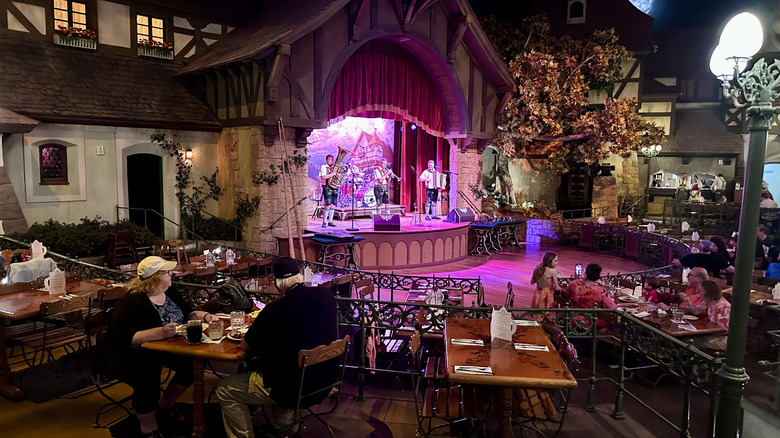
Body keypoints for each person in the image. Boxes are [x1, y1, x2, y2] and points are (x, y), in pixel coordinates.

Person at [216, 257, 338, 438]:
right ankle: (284, 426)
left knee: (225, 388)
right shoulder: (326, 295)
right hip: (325, 381)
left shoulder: (276, 309)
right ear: (299, 275)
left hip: (293, 389)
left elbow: (247, 346)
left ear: (276, 282)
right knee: (283, 365)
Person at [98, 256, 219, 438]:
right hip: (127, 352)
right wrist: (161, 332)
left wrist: (207, 317)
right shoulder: (133, 301)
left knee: (190, 365)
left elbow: (189, 313)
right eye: (167, 272)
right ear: (156, 277)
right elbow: (126, 338)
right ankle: (149, 426)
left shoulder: (170, 292)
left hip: (164, 347)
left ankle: (165, 404)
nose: (172, 275)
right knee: (147, 374)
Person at [693, 280, 730, 351]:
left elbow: (723, 330)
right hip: (712, 335)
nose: (698, 293)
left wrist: (703, 332)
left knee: (690, 340)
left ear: (707, 293)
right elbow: (695, 311)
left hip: (724, 340)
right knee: (688, 338)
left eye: (700, 291)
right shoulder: (709, 302)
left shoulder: (722, 307)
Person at [318, 154, 339, 227]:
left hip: (334, 187)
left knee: (333, 205)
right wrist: (333, 174)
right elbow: (324, 177)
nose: (331, 161)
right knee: (327, 205)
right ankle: (324, 222)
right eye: (329, 160)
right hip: (327, 187)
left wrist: (337, 175)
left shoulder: (334, 167)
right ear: (326, 160)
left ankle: (330, 221)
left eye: (332, 160)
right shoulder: (323, 167)